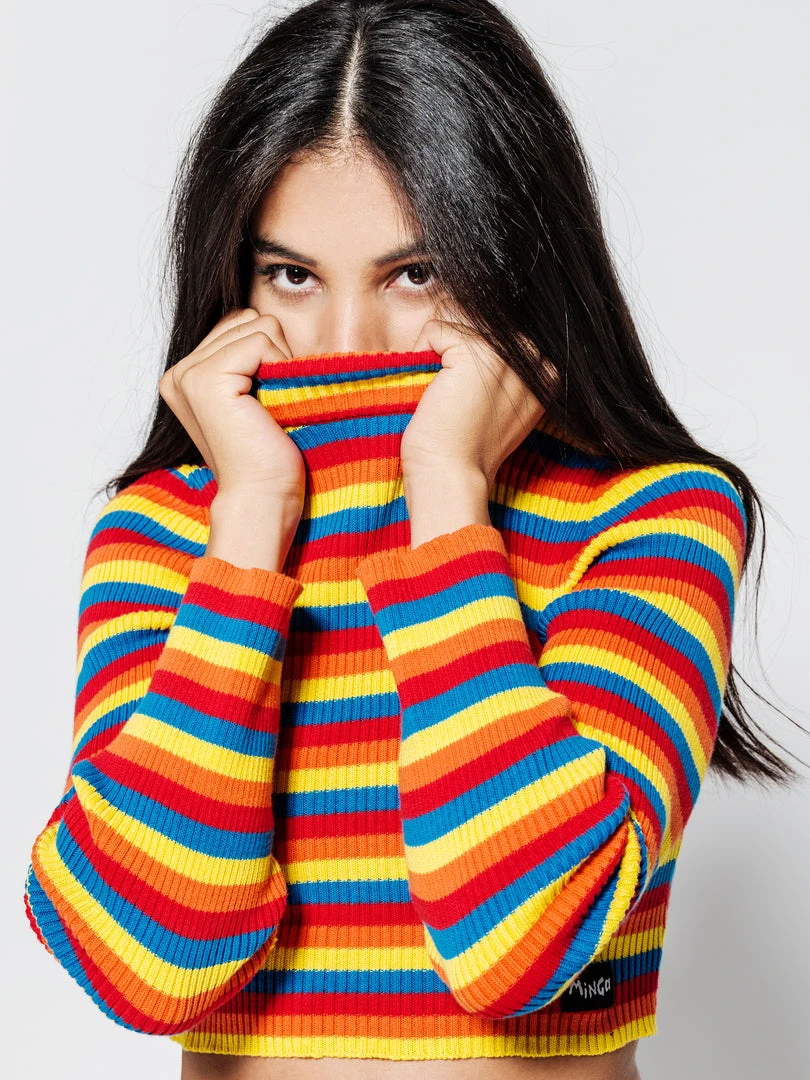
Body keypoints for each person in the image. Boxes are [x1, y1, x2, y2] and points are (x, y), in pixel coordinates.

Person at [22, 2, 804, 1079]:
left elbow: (523, 942)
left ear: (513, 262)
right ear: (235, 279)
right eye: (292, 276)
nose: (348, 343)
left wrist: (447, 493)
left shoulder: (651, 518)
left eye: (416, 275)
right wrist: (248, 528)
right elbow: (145, 962)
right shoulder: (168, 532)